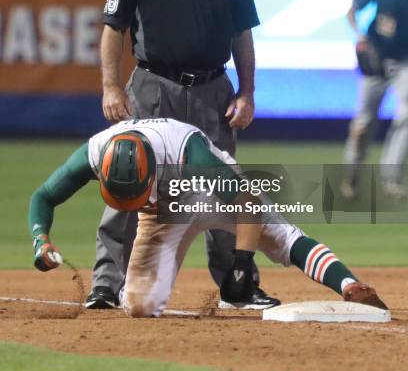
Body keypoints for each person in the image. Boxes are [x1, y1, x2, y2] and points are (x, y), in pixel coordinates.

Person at [90, 0, 269, 309]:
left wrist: (246, 93)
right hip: (154, 87)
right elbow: (113, 30)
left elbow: (242, 36)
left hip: (212, 91)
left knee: (223, 188)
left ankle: (235, 286)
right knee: (127, 178)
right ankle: (105, 285)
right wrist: (111, 86)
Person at [29, 117, 387, 316]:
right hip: (162, 214)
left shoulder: (190, 155)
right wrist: (40, 239)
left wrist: (241, 262)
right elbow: (43, 196)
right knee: (140, 305)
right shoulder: (95, 152)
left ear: (154, 167)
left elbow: (246, 202)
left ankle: (349, 284)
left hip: (209, 191)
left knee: (280, 236)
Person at [342, 0, 408, 200]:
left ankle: (392, 176)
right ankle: (352, 174)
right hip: (376, 62)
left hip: (404, 63)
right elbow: (353, 9)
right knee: (363, 123)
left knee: (407, 115)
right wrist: (359, 36)